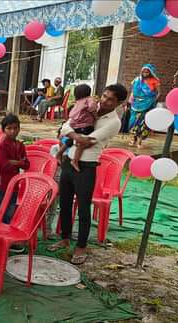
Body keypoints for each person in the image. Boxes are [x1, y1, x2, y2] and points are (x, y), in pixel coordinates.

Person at [48, 84, 128, 265]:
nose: (105, 101)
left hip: (86, 167)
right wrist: (75, 136)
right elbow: (66, 126)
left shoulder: (113, 122)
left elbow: (89, 140)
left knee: (84, 207)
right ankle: (65, 237)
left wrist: (73, 135)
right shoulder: (89, 105)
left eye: (111, 99)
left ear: (119, 103)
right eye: (105, 96)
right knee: (65, 203)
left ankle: (81, 246)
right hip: (68, 162)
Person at [0, 114, 29, 223]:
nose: (13, 131)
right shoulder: (2, 146)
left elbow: (27, 164)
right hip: (1, 184)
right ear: (3, 130)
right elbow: (4, 166)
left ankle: (5, 237)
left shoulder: (20, 145)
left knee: (9, 213)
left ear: (19, 128)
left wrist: (13, 162)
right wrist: (19, 162)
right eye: (9, 128)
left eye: (15, 128)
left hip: (14, 186)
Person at [55, 84, 98, 171]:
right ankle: (75, 160)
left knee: (70, 141)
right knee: (85, 142)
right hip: (85, 126)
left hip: (75, 125)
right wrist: (96, 117)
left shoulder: (78, 102)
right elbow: (92, 108)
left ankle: (59, 153)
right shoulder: (89, 100)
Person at [128, 64, 160, 148]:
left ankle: (139, 142)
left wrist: (152, 101)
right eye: (144, 71)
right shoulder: (137, 80)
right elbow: (132, 92)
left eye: (147, 71)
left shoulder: (155, 81)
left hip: (147, 104)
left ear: (151, 72)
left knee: (143, 123)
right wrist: (129, 101)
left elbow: (158, 93)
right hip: (135, 104)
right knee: (133, 122)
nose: (145, 73)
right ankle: (133, 140)